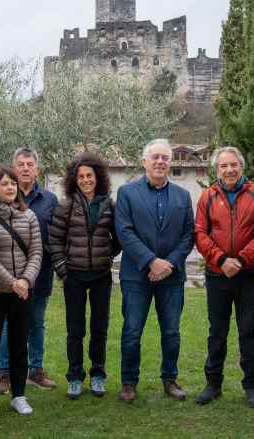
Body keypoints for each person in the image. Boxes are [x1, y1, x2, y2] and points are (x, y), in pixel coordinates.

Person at [194, 146, 254, 408]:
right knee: (217, 331)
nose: (229, 170)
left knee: (248, 330)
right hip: (217, 274)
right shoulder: (208, 196)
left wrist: (240, 260)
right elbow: (200, 233)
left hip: (248, 273)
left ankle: (251, 386)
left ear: (241, 167)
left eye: (233, 165)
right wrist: (220, 259)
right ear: (216, 169)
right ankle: (213, 384)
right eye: (223, 166)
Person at [115, 138, 194, 402]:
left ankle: (170, 379)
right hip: (136, 275)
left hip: (172, 276)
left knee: (171, 331)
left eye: (165, 158)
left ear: (170, 162)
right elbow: (124, 232)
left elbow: (188, 235)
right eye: (155, 158)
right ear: (144, 162)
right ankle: (128, 382)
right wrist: (151, 261)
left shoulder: (183, 196)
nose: (160, 162)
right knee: (132, 330)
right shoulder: (127, 193)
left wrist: (168, 264)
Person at [48, 152, 121, 399]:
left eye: (89, 175)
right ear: (74, 179)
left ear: (97, 177)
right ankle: (75, 376)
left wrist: (107, 255)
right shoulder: (66, 206)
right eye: (80, 176)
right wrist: (63, 270)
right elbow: (54, 240)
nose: (85, 180)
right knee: (75, 330)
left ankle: (98, 375)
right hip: (74, 277)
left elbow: (119, 238)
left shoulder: (109, 205)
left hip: (101, 276)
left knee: (100, 328)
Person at [0, 167, 43, 421]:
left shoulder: (29, 216)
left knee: (19, 345)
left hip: (22, 291)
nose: (10, 188)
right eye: (5, 184)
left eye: (13, 184)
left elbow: (37, 251)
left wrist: (25, 280)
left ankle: (19, 395)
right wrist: (12, 281)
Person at [0, 147, 59, 393]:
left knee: (36, 323)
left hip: (40, 274)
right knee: (5, 324)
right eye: (20, 164)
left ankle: (36, 369)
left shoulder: (50, 200)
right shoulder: (2, 196)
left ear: (37, 169)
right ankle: (4, 372)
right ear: (14, 168)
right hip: (7, 276)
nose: (25, 168)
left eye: (29, 164)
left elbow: (55, 237)